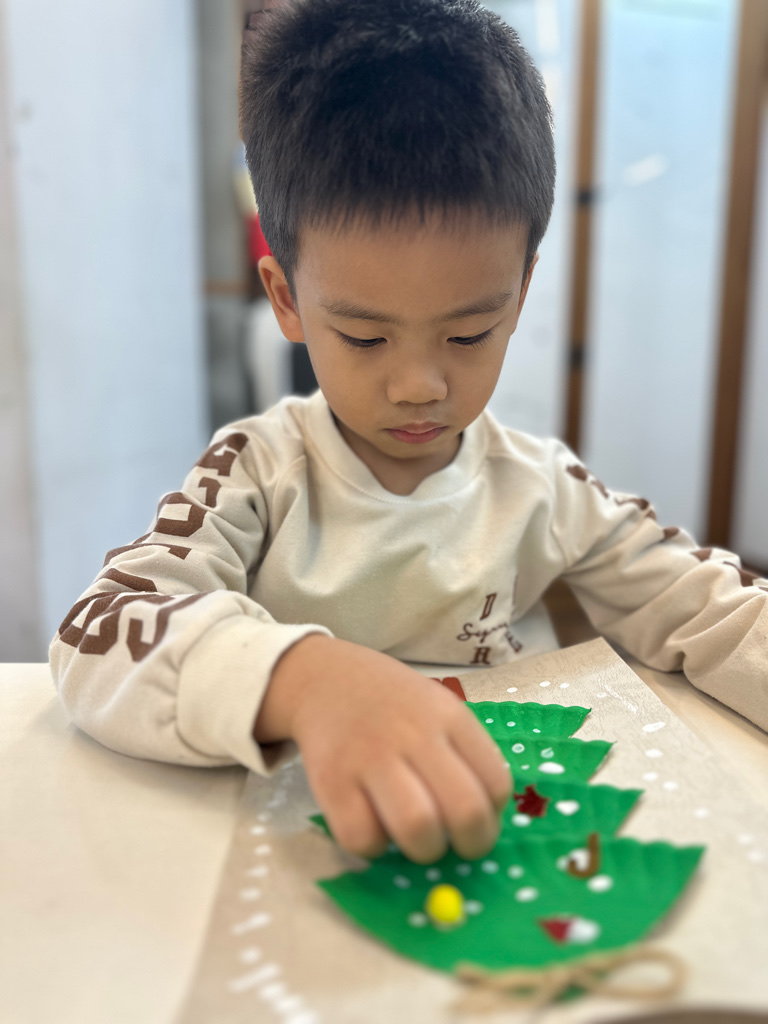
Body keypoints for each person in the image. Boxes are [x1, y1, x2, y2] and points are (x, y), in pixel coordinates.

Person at [51, 0, 767, 867]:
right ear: (286, 300)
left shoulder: (541, 486)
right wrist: (302, 680)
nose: (420, 385)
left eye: (469, 334)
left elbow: (714, 611)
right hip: (306, 855)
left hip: (499, 842)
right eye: (364, 337)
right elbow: (99, 635)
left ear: (521, 293)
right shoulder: (259, 472)